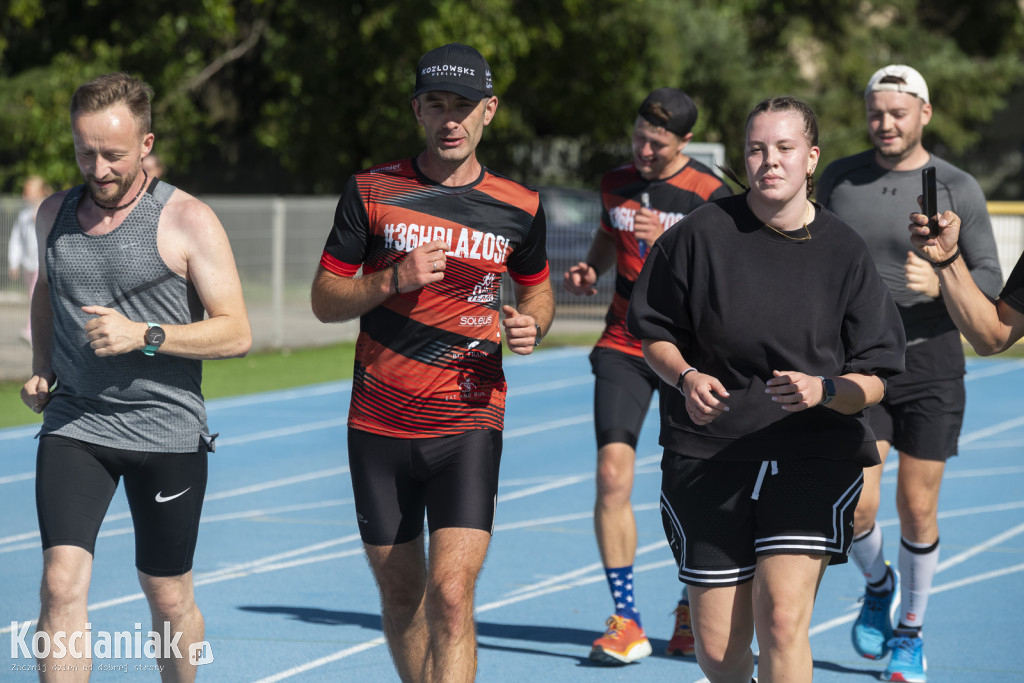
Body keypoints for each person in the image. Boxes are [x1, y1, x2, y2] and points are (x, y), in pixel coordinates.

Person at [627, 96, 906, 683]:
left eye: (784, 149)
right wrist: (686, 376)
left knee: (781, 620)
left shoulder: (843, 250)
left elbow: (876, 377)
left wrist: (825, 390)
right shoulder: (699, 235)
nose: (769, 161)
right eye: (757, 149)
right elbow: (653, 334)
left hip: (811, 452)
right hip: (710, 454)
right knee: (719, 647)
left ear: (812, 158)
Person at [310, 43, 554, 683]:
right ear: (418, 110)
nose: (452, 119)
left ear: (489, 112)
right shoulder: (370, 192)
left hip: (469, 420)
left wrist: (535, 323)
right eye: (437, 104)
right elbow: (324, 300)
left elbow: (537, 288)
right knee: (400, 595)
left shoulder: (519, 206)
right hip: (379, 424)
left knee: (450, 596)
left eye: (464, 106)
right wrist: (390, 278)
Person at [20, 72, 251, 681]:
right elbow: (47, 293)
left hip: (166, 431)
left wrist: (144, 335)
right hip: (77, 422)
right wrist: (42, 367)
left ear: (145, 144)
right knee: (59, 583)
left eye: (113, 155)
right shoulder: (54, 214)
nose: (97, 168)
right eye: (84, 151)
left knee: (168, 594)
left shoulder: (187, 220)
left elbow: (236, 332)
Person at [818, 64, 1002, 682]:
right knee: (858, 511)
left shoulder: (957, 186)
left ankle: (911, 634)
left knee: (918, 508)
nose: (885, 123)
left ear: (924, 113)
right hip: (860, 359)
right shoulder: (839, 178)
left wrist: (943, 280)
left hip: (932, 359)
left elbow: (994, 287)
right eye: (876, 111)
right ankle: (878, 584)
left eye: (898, 112)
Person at [563, 87, 731, 664]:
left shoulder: (711, 192)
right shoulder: (615, 182)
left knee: (694, 484)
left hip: (692, 354)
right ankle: (626, 619)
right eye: (638, 137)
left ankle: (691, 609)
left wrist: (674, 244)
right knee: (612, 476)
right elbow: (611, 236)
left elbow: (733, 272)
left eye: (657, 144)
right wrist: (591, 268)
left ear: (685, 142)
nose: (644, 150)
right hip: (622, 340)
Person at [908, 209, 1024, 353]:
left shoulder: (961, 189)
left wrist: (937, 286)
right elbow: (994, 337)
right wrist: (947, 258)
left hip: (934, 354)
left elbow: (992, 279)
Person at [8, 175, 50, 343]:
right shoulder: (24, 215)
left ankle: (31, 331)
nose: (26, 196)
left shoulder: (48, 209)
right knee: (31, 297)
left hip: (42, 263)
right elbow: (16, 239)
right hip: (28, 263)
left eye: (29, 192)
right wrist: (13, 262)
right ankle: (36, 329)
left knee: (36, 296)